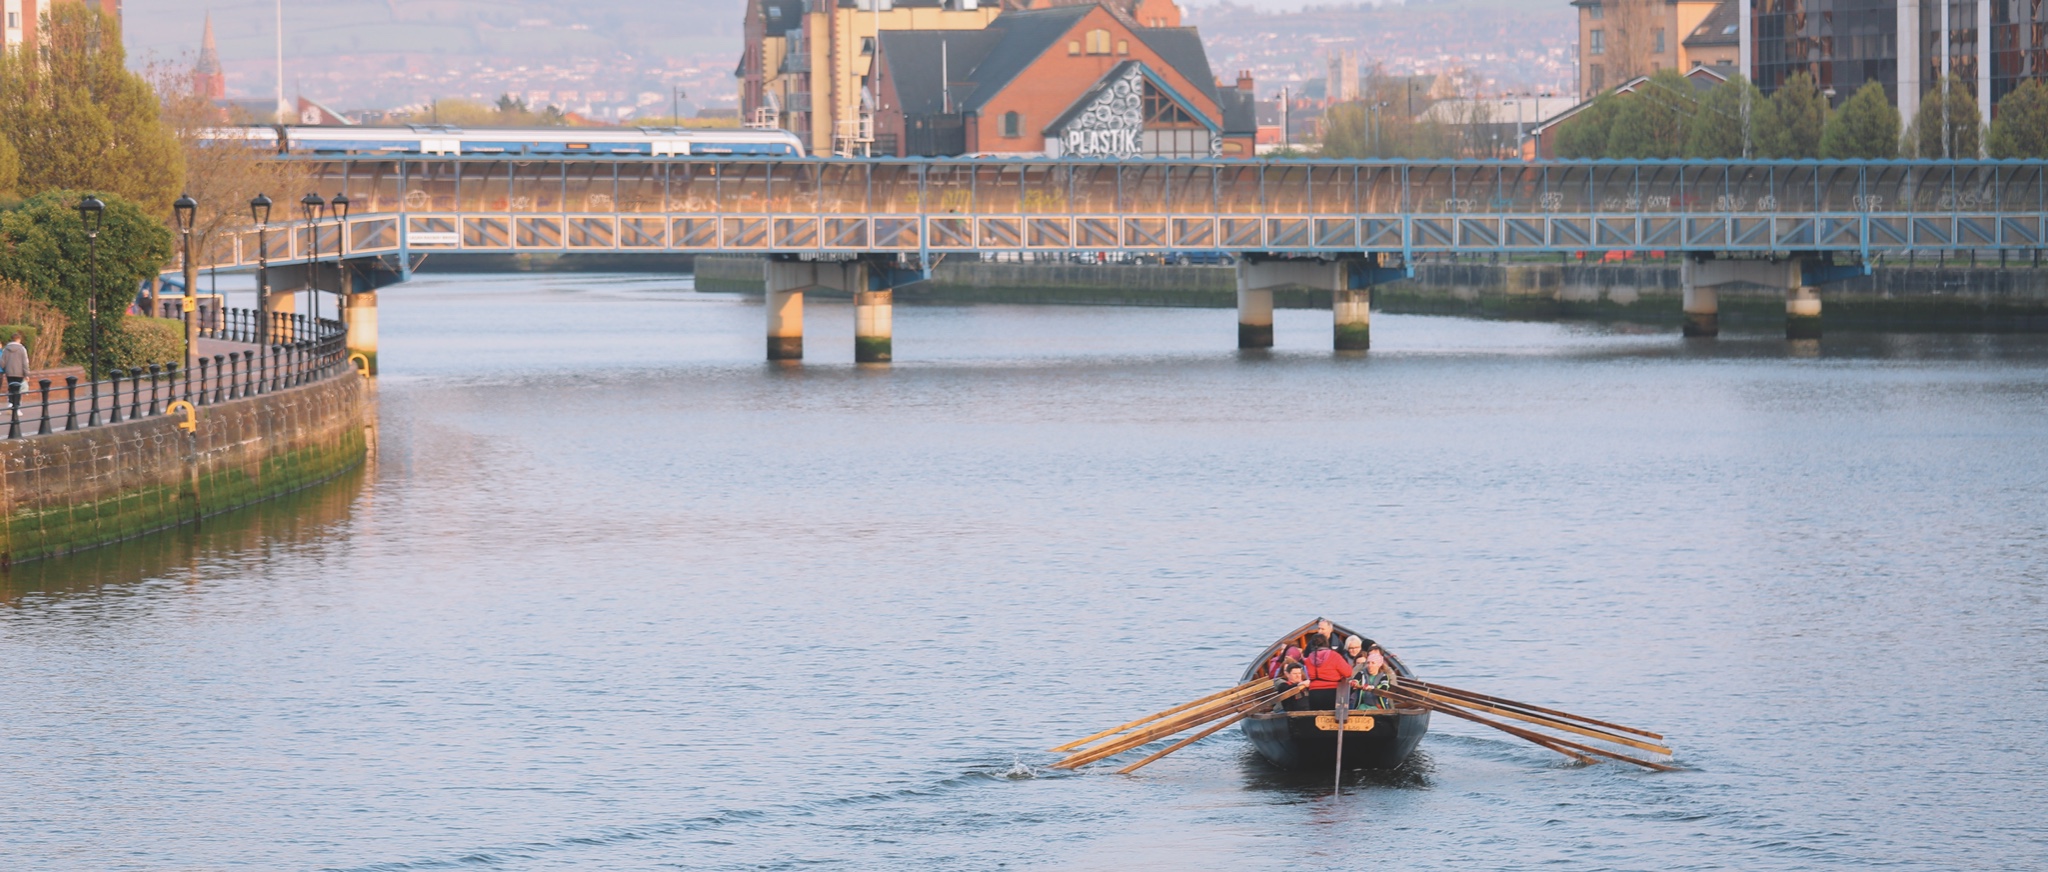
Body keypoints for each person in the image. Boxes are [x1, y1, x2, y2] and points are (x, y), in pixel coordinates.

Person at [1303, 636, 1351, 710]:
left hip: (1314, 693)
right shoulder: (1334, 655)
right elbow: (1348, 673)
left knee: (1316, 718)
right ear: (1326, 643)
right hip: (1333, 692)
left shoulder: (1309, 658)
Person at [2, 332, 28, 406]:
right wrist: (26, 374)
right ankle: (16, 405)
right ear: (18, 339)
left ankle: (10, 402)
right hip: (19, 372)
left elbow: (2, 362)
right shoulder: (22, 349)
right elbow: (25, 362)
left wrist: (4, 369)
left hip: (9, 372)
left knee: (11, 387)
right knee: (18, 389)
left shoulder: (6, 349)